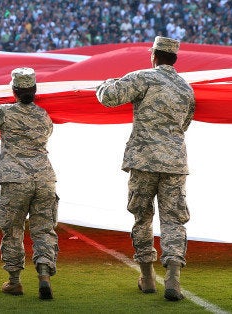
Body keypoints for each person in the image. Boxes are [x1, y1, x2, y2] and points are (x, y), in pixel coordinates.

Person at [95, 36, 195, 301]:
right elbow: (184, 123)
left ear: (154, 56)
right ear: (174, 58)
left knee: (142, 216)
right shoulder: (186, 89)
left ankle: (148, 277)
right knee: (173, 219)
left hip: (143, 160)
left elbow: (109, 97)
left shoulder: (143, 78)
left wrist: (103, 84)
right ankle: (173, 278)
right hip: (174, 161)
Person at [0, 68, 59, 300]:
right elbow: (48, 132)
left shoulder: (5, 113)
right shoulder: (44, 115)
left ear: (14, 90)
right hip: (44, 179)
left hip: (15, 179)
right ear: (34, 91)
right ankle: (44, 275)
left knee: (12, 230)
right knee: (44, 230)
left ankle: (14, 282)